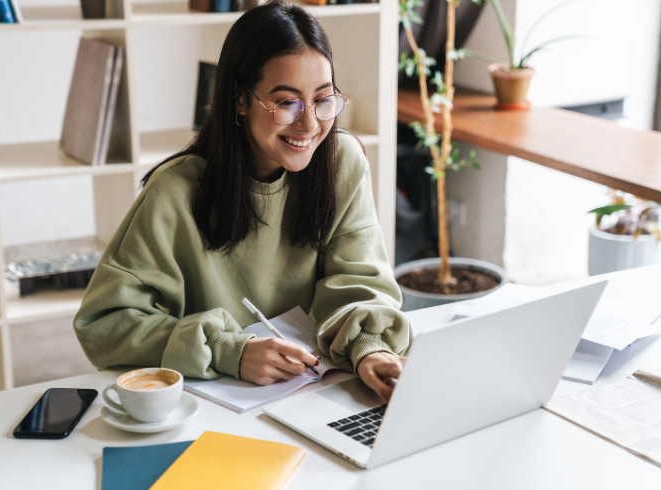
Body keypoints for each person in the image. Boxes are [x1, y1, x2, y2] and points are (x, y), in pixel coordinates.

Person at [74, 0, 412, 401]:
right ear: (239, 99)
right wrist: (228, 350)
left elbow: (358, 283)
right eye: (287, 103)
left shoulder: (343, 163)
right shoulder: (175, 191)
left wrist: (369, 347)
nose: (310, 124)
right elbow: (104, 324)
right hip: (210, 405)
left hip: (317, 393)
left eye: (323, 99)